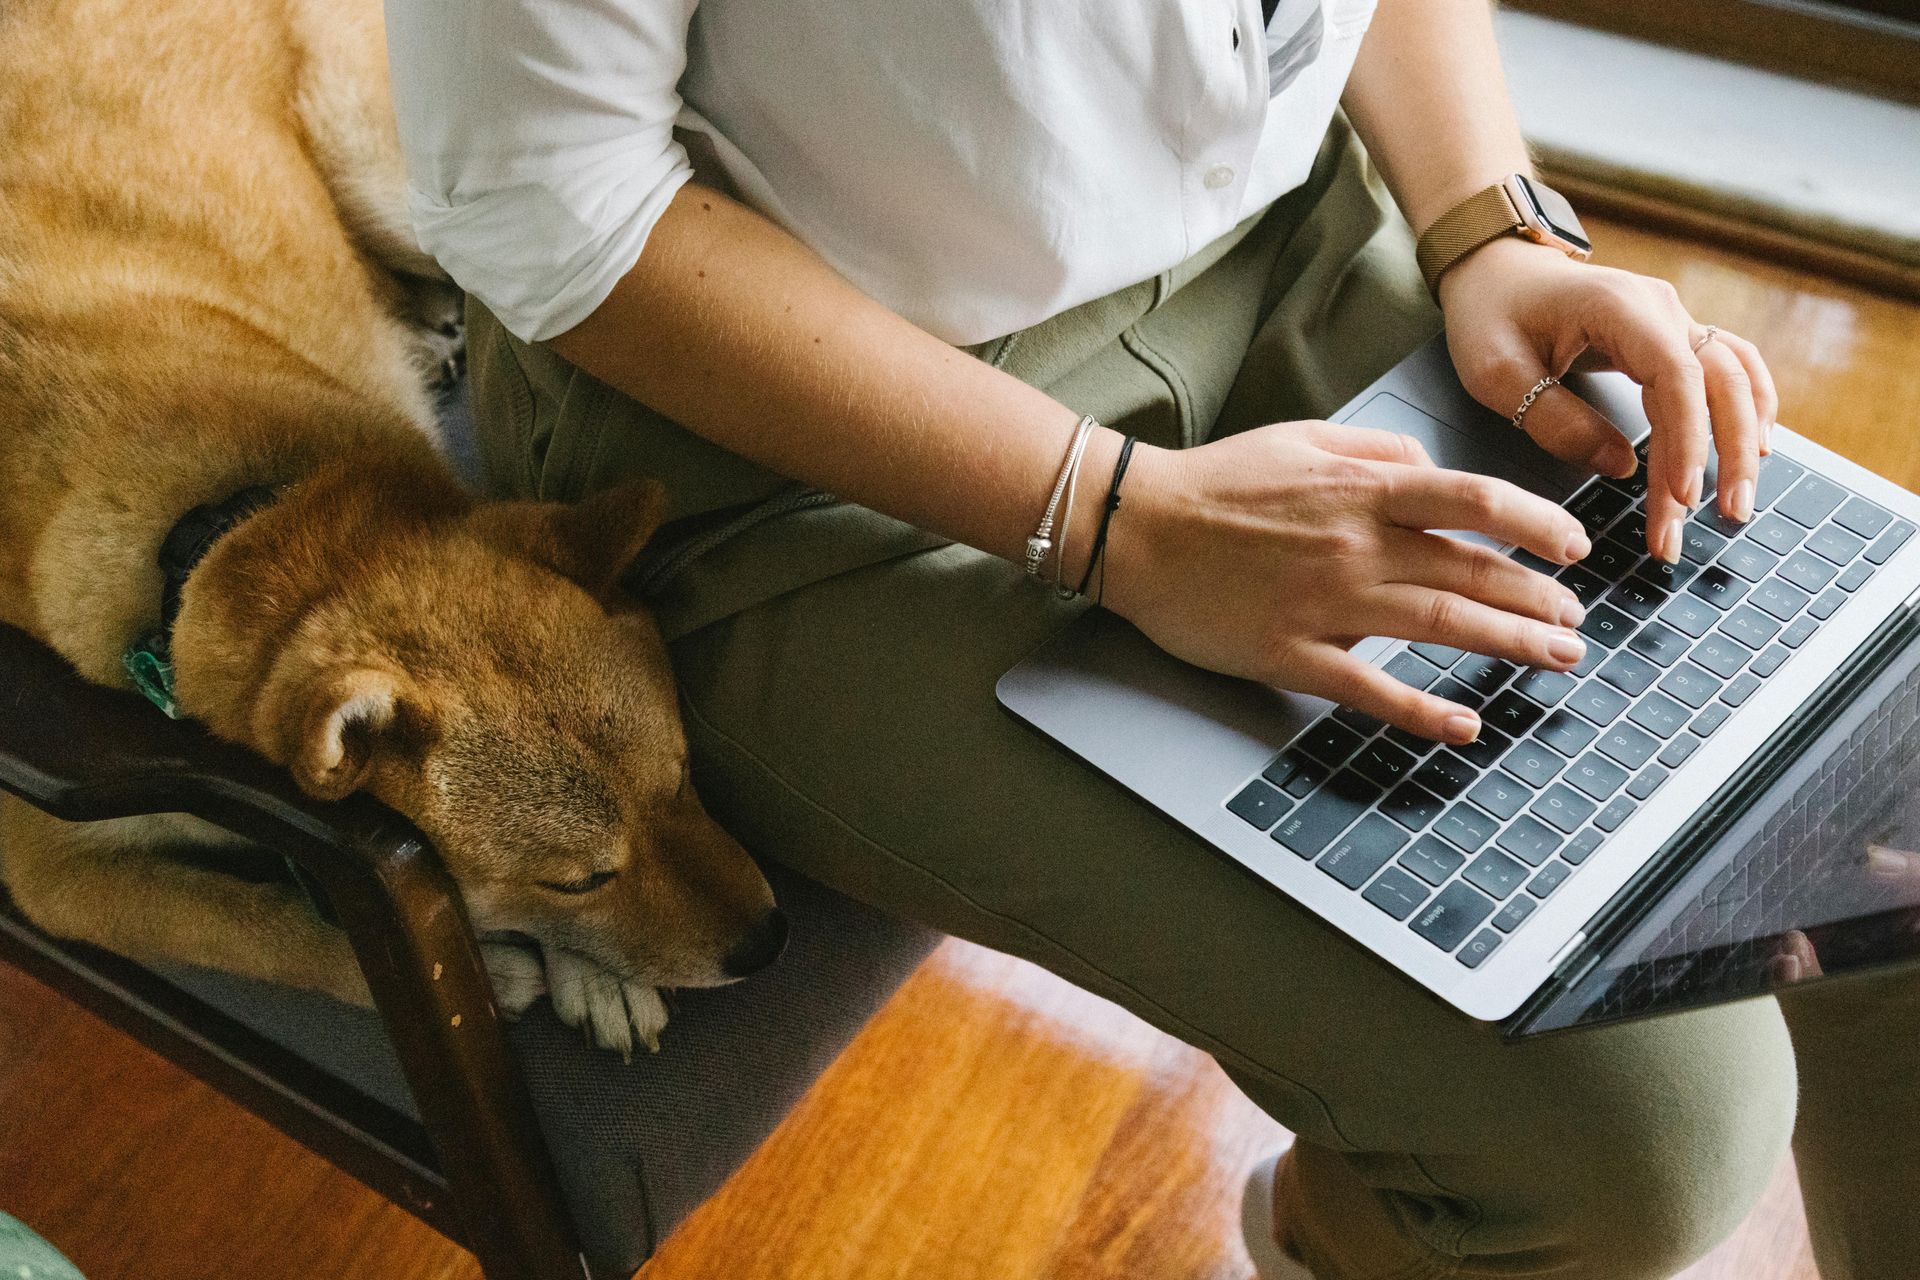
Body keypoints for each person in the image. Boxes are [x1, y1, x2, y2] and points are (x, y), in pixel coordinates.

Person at [386, 1, 1918, 1276]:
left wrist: (1490, 225)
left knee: (1897, 793)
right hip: (801, 449)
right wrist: (1122, 523)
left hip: (1283, 237)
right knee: (1637, 1138)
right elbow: (542, 194)